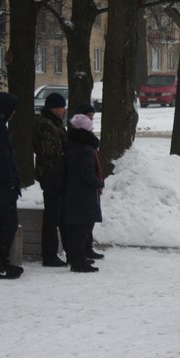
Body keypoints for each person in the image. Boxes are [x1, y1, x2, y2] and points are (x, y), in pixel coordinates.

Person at [64, 114, 104, 273]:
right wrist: (98, 183)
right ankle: (79, 261)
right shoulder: (86, 149)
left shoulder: (70, 145)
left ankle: (75, 258)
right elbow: (87, 173)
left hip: (72, 191)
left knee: (76, 228)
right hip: (83, 193)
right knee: (83, 227)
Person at [33, 92, 68, 267]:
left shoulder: (54, 123)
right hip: (51, 174)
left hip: (55, 174)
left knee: (56, 215)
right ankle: (49, 255)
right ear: (55, 108)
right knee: (51, 217)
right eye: (62, 107)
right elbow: (50, 150)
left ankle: (54, 253)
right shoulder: (46, 125)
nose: (64, 110)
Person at [73, 103, 105, 261]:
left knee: (87, 221)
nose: (91, 119)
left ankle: (86, 249)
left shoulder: (86, 141)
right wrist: (97, 183)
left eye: (92, 116)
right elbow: (86, 170)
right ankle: (81, 254)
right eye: (88, 116)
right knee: (84, 223)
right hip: (84, 189)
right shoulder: (84, 144)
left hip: (85, 187)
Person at [0, 92, 23, 279]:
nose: (14, 113)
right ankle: (0, 263)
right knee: (7, 224)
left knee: (5, 224)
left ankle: (1, 261)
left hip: (3, 187)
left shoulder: (1, 128)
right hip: (3, 188)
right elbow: (2, 161)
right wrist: (11, 183)